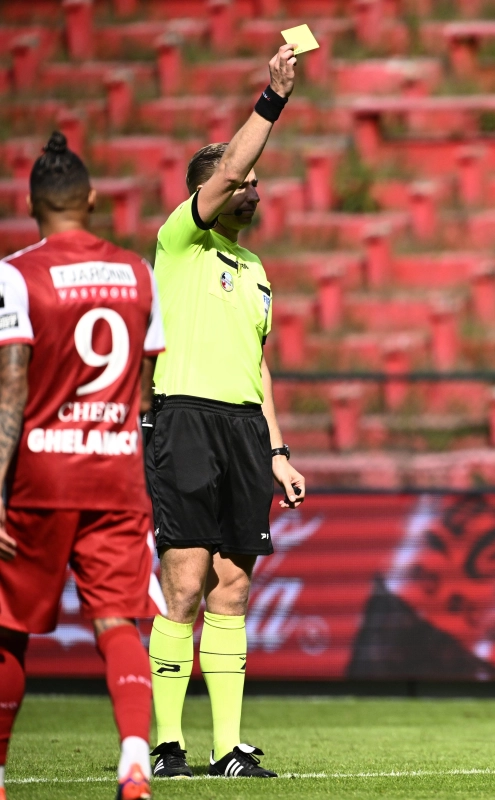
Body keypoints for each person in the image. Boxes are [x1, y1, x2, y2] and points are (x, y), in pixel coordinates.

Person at [145, 43, 306, 780]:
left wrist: (277, 449)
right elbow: (232, 167)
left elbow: (261, 366)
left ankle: (228, 751)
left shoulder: (257, 270)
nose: (252, 189)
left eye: (256, 184)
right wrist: (271, 99)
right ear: (207, 189)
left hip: (242, 428)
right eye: (239, 180)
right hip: (184, 417)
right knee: (183, 585)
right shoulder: (180, 239)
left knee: (234, 585)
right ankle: (168, 744)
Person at [0, 132, 164, 800]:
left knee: (8, 629)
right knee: (117, 622)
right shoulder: (137, 273)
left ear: (32, 204)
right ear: (92, 201)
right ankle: (134, 759)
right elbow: (145, 390)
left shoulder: (17, 273)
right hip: (117, 473)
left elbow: (12, 387)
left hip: (41, 477)